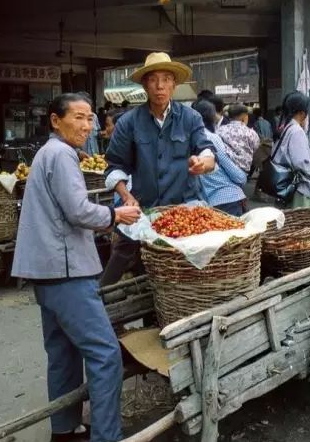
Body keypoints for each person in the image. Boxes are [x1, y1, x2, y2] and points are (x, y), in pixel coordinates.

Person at [12, 93, 142, 442]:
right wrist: (117, 215)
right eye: (78, 118)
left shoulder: (48, 154)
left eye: (90, 119)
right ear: (56, 120)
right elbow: (79, 212)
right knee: (104, 353)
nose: (87, 126)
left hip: (45, 272)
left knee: (62, 351)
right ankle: (108, 438)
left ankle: (64, 429)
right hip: (66, 271)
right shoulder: (61, 154)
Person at [101, 52, 216, 285]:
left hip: (185, 208)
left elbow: (207, 151)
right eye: (153, 80)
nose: (160, 86)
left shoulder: (190, 117)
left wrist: (202, 164)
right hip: (144, 209)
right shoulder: (128, 122)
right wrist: (126, 195)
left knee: (189, 269)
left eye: (166, 79)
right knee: (120, 259)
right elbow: (114, 165)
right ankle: (101, 310)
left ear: (174, 84)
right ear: (145, 84)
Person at [192, 99, 247, 216]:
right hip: (227, 199)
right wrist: (242, 178)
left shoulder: (187, 137)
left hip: (205, 202)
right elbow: (229, 166)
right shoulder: (210, 137)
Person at [272, 92, 310, 208]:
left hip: (285, 187)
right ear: (302, 113)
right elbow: (301, 162)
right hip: (299, 190)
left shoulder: (285, 128)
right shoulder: (296, 131)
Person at [216, 103, 260, 175]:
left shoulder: (220, 130)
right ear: (244, 116)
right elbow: (255, 148)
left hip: (224, 170)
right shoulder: (251, 133)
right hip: (243, 171)